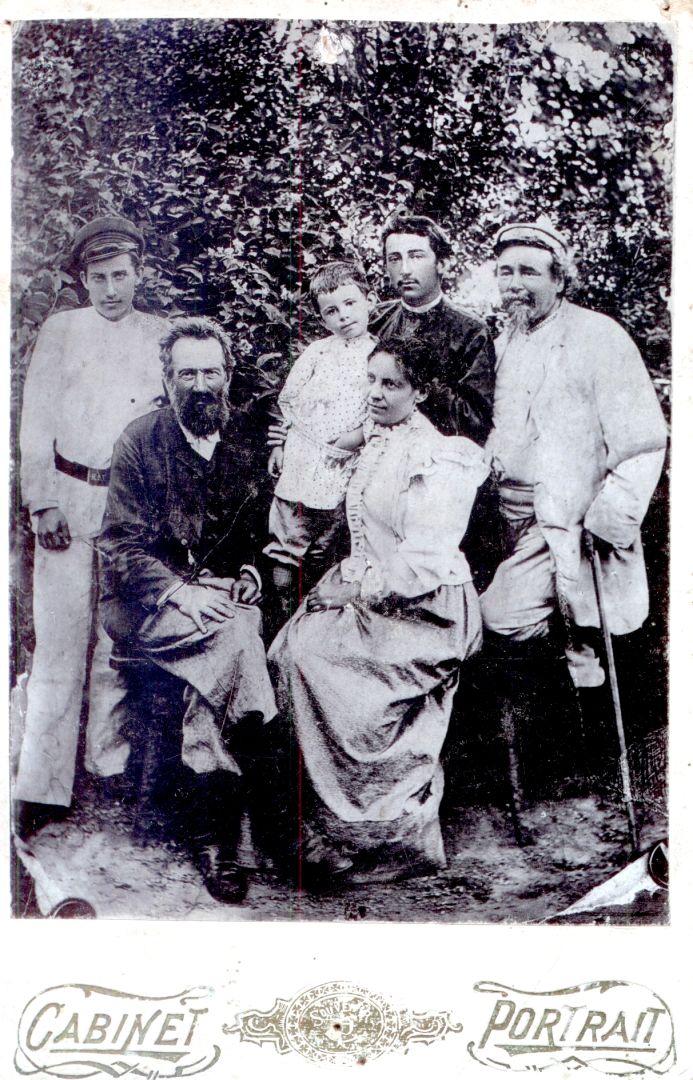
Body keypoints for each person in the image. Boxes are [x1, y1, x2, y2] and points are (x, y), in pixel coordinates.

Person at [268, 336, 488, 887]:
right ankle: (318, 826)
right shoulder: (379, 437)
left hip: (428, 611)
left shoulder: (440, 457)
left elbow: (424, 559)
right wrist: (348, 576)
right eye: (370, 380)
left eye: (391, 384)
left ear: (422, 392)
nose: (375, 393)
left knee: (313, 660)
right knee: (289, 648)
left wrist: (355, 590)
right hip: (381, 593)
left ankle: (386, 836)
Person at [99, 316, 276, 904]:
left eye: (211, 373)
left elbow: (254, 531)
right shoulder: (139, 441)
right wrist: (182, 591)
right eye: (187, 374)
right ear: (166, 379)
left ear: (228, 376)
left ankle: (212, 832)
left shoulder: (242, 441)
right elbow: (121, 546)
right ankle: (234, 831)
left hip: (221, 603)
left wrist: (249, 572)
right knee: (236, 641)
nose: (201, 386)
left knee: (231, 641)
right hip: (148, 606)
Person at [480, 218, 667, 749]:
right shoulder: (501, 345)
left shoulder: (598, 336)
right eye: (505, 272)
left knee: (516, 617)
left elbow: (644, 439)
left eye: (529, 272)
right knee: (527, 630)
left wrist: (611, 513)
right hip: (507, 515)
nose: (515, 284)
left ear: (559, 279)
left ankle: (593, 747)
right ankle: (555, 749)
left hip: (572, 518)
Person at [15, 215, 168, 835]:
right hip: (68, 497)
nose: (110, 289)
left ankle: (109, 771)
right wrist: (41, 502)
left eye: (120, 276)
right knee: (58, 639)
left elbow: (167, 427)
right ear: (83, 279)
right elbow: (35, 421)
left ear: (139, 274)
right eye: (98, 277)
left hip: (129, 506)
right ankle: (43, 784)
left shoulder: (159, 336)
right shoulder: (61, 330)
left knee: (117, 642)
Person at [264, 261, 378, 614]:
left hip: (343, 463)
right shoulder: (318, 352)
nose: (343, 315)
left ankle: (315, 614)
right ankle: (281, 610)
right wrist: (280, 444)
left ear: (370, 301)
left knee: (327, 544)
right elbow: (289, 399)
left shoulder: (379, 355)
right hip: (302, 457)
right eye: (331, 311)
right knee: (288, 539)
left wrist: (359, 436)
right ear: (322, 319)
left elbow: (381, 407)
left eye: (350, 303)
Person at [369, 210, 495, 446]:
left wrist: (422, 381)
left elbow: (476, 422)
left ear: (442, 264)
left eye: (416, 256)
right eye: (394, 258)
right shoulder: (374, 319)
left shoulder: (470, 331)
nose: (405, 269)